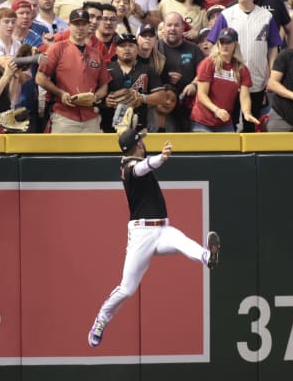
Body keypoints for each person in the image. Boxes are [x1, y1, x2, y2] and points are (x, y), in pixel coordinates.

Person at [87, 119, 220, 348]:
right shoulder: (130, 167)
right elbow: (143, 167)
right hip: (142, 235)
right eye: (141, 142)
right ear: (136, 146)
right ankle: (101, 319)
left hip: (162, 228)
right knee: (127, 288)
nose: (143, 145)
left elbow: (144, 164)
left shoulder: (132, 160)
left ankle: (208, 257)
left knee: (181, 241)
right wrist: (161, 158)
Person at [207, 0, 283, 131]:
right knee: (230, 122)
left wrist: (272, 74)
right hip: (230, 78)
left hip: (257, 78)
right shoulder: (227, 15)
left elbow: (273, 47)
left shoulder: (266, 16)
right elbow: (213, 44)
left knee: (252, 122)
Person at [36, 9, 111, 133]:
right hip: (64, 115)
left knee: (93, 153)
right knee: (63, 152)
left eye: (84, 24)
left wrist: (95, 97)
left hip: (90, 116)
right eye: (76, 24)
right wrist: (60, 93)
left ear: (89, 26)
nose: (80, 28)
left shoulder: (96, 53)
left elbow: (104, 85)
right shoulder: (58, 48)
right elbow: (39, 77)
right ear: (69, 25)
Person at [191, 27, 259, 132]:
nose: (225, 46)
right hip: (202, 121)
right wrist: (216, 110)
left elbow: (244, 96)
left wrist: (247, 112)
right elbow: (201, 95)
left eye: (228, 42)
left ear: (235, 44)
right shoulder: (208, 63)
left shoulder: (241, 69)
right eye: (222, 42)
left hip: (224, 121)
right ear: (218, 44)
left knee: (230, 148)